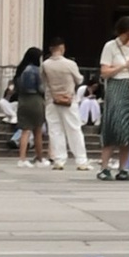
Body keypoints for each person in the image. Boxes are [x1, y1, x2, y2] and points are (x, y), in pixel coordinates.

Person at [96, 23, 129, 180]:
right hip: (117, 86)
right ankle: (104, 167)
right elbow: (104, 72)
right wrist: (125, 65)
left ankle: (123, 168)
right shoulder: (110, 46)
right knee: (114, 125)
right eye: (126, 35)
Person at [41, 42, 86, 170]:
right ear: (62, 48)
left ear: (50, 49)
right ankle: (81, 160)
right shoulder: (70, 64)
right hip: (68, 99)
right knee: (74, 129)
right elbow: (79, 79)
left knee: (55, 130)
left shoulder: (45, 64)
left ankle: (59, 160)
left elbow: (43, 81)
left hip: (52, 99)